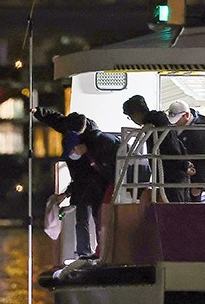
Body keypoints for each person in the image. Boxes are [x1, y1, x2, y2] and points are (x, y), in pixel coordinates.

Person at [57, 124, 120, 260]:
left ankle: (101, 251)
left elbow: (94, 175)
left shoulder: (94, 151)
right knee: (83, 219)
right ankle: (85, 252)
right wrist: (68, 194)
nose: (72, 153)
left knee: (99, 219)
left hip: (100, 188)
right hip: (86, 190)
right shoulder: (76, 159)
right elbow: (78, 179)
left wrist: (68, 194)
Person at [122, 95, 192, 203]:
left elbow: (170, 146)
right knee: (182, 208)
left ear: (136, 114)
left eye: (131, 117)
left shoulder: (154, 126)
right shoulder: (162, 122)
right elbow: (177, 143)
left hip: (170, 173)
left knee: (176, 209)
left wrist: (182, 164)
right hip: (177, 172)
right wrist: (185, 163)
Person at [166, 100, 205, 202]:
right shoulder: (176, 128)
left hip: (192, 179)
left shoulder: (202, 132)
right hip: (179, 179)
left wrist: (199, 184)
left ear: (186, 115)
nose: (175, 123)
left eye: (177, 119)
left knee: (191, 211)